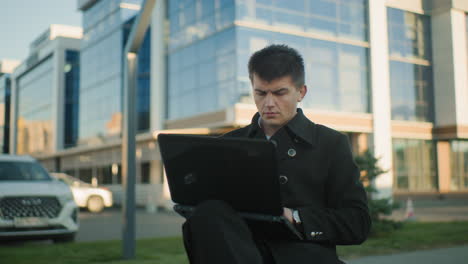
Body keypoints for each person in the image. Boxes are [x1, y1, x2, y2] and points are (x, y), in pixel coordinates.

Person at [181, 44, 371, 264]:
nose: (269, 103)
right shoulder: (228, 144)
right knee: (208, 212)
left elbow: (357, 223)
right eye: (260, 93)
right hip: (239, 253)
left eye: (280, 93)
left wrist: (297, 217)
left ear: (301, 92)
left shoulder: (331, 143)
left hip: (305, 257)